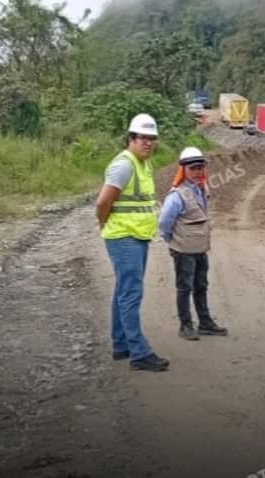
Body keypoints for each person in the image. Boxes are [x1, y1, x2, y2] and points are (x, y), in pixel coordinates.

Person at [95, 113, 169, 372]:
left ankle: (121, 345)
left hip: (137, 236)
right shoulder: (125, 165)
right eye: (143, 138)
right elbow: (103, 202)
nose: (148, 143)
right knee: (131, 294)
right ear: (130, 139)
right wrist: (103, 223)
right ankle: (139, 352)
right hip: (124, 238)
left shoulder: (143, 164)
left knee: (123, 292)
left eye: (152, 139)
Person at [158, 146, 229, 340]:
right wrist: (171, 240)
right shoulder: (177, 196)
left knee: (201, 285)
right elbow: (164, 222)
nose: (198, 172)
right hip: (183, 250)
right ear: (184, 170)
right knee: (184, 288)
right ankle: (186, 325)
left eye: (200, 168)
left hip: (200, 250)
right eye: (193, 168)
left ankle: (205, 323)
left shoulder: (201, 189)